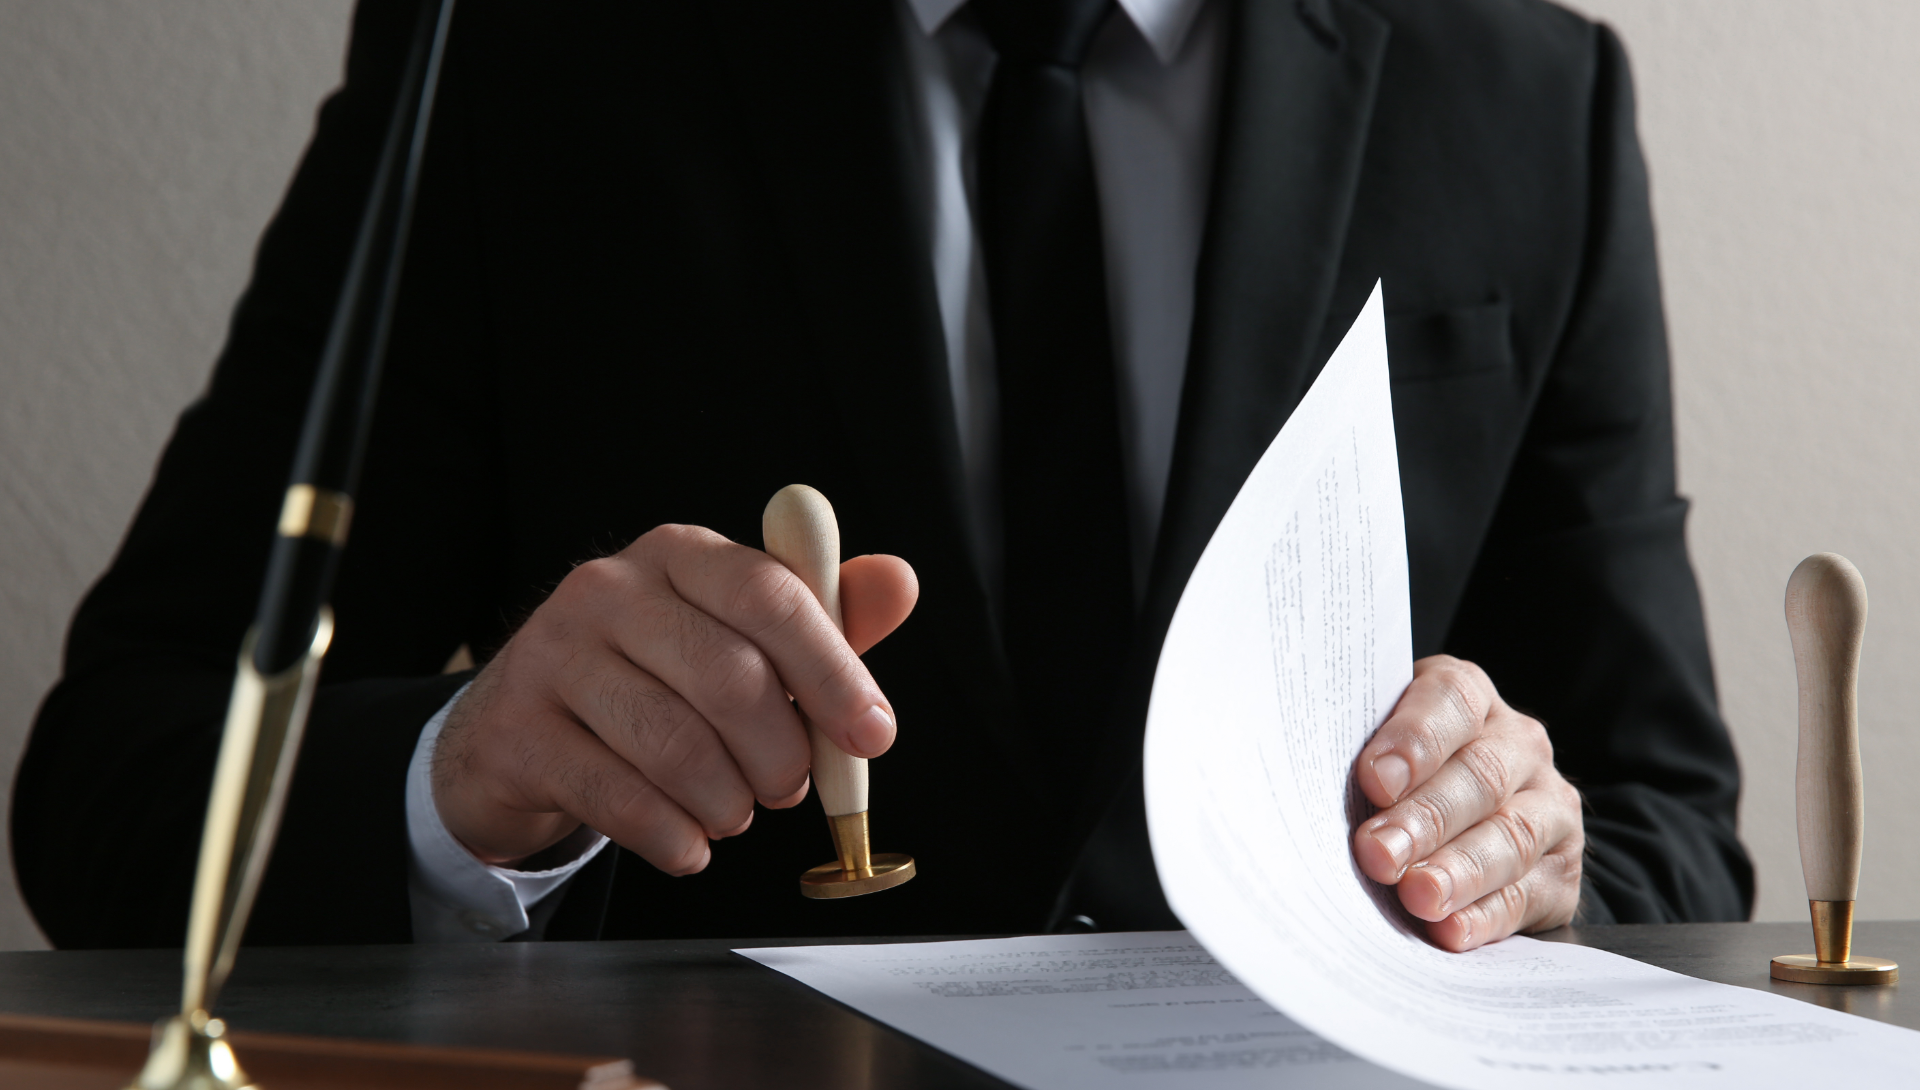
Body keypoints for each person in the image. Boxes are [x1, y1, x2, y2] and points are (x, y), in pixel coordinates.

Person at [12, 0, 1752, 950]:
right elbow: (118, 786)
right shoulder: (513, 56)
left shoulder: (1530, 94)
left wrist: (1534, 852)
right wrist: (460, 782)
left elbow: (1672, 822)